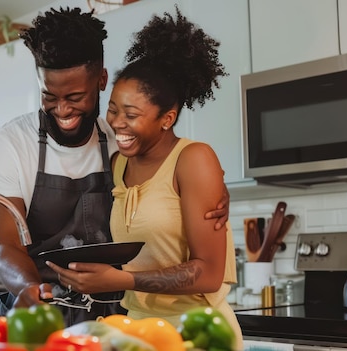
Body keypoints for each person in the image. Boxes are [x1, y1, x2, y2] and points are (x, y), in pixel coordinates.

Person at [0, 7, 230, 327]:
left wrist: (212, 186)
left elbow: (175, 169)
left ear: (102, 80)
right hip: (40, 315)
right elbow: (6, 246)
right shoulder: (7, 146)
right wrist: (29, 288)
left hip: (116, 318)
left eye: (75, 96)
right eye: (49, 96)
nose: (62, 110)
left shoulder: (121, 140)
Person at [45, 6, 243, 348]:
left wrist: (122, 278)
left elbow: (209, 274)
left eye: (131, 114)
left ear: (167, 118)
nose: (117, 123)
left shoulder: (193, 159)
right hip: (137, 332)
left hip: (195, 332)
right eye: (113, 109)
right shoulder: (118, 163)